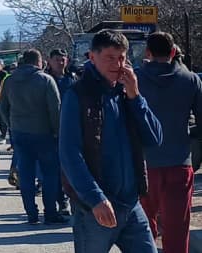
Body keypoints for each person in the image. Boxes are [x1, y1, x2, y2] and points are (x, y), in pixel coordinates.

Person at [60, 30, 162, 252]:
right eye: (110, 57)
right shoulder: (77, 95)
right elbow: (69, 153)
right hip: (94, 208)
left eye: (122, 58)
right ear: (92, 57)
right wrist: (95, 198)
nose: (117, 64)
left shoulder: (126, 93)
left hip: (131, 204)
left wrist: (136, 97)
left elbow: (155, 138)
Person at [137, 31, 202, 253]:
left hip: (144, 164)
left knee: (143, 226)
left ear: (147, 52)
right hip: (180, 162)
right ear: (173, 52)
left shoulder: (134, 79)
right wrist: (185, 132)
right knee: (177, 228)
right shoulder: (191, 80)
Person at [0, 49, 66, 225]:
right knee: (49, 174)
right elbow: (55, 110)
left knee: (26, 174)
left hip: (20, 133)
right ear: (39, 62)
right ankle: (50, 212)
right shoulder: (46, 80)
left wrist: (12, 125)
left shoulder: (10, 81)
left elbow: (2, 108)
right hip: (44, 133)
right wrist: (57, 131)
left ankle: (31, 213)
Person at [46, 47, 77, 216]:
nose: (61, 62)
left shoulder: (72, 79)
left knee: (71, 168)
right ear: (49, 61)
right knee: (55, 169)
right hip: (51, 131)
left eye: (63, 59)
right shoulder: (45, 79)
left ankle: (74, 200)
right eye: (57, 59)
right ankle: (61, 201)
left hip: (71, 129)